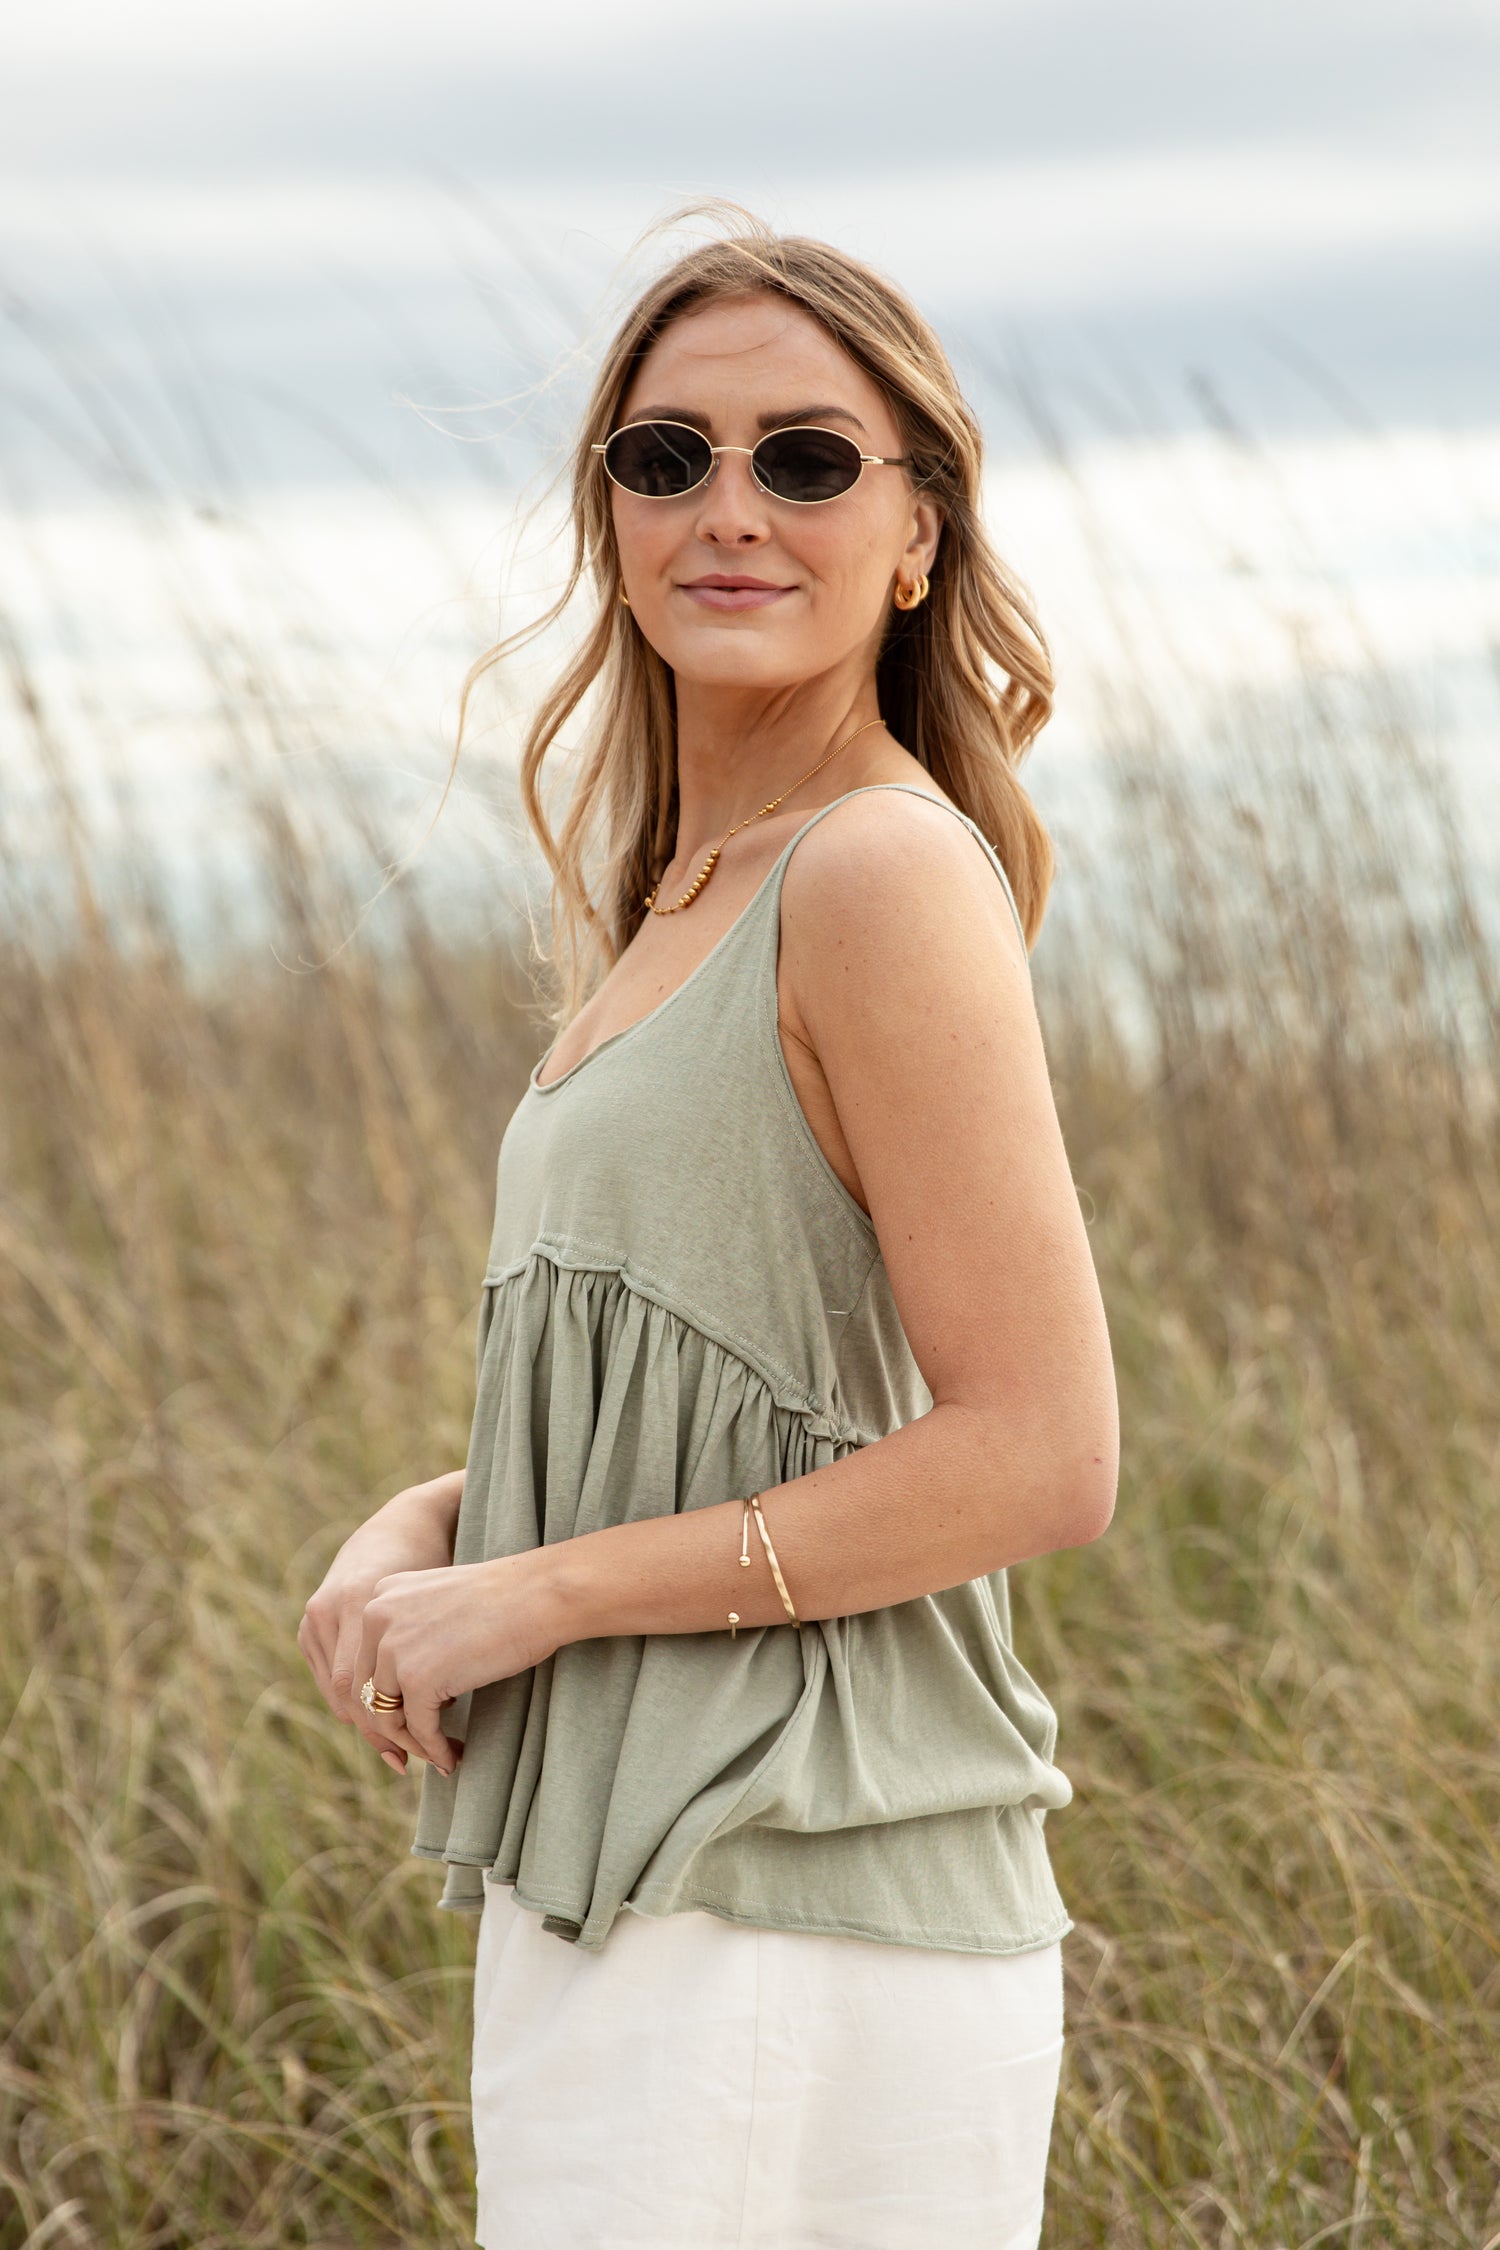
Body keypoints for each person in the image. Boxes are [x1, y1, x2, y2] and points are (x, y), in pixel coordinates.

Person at [297, 213, 1119, 2250]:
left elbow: (1042, 1452)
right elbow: (750, 1400)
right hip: (644, 1884)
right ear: (610, 509)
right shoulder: (686, 893)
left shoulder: (875, 876)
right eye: (666, 459)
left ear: (917, 534)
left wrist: (545, 1596)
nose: (726, 510)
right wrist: (441, 1525)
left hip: (793, 1901)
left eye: (807, 460)